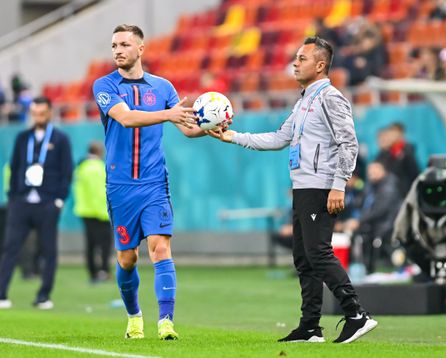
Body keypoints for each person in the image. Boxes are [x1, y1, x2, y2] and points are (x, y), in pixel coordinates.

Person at [211, 36, 377, 344]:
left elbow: (348, 142)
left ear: (320, 64)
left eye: (301, 58)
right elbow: (277, 138)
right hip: (304, 188)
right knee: (304, 257)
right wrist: (232, 136)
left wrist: (338, 185)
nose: (294, 63)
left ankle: (357, 314)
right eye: (296, 58)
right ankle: (311, 326)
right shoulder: (304, 101)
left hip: (321, 187)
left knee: (318, 252)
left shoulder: (331, 97)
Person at [92, 24, 206, 340]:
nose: (117, 50)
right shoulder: (104, 85)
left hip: (155, 183)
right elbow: (126, 118)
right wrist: (168, 114)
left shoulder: (164, 87)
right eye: (114, 45)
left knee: (160, 249)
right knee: (127, 259)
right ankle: (134, 318)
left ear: (140, 49)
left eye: (125, 44)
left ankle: (166, 322)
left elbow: (186, 128)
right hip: (120, 187)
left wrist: (212, 125)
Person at [0, 96, 73, 310]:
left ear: (50, 113)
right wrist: (13, 197)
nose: (38, 117)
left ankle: (43, 296)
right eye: (34, 113)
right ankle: (2, 294)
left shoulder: (60, 139)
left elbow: (66, 171)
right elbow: (14, 167)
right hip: (21, 203)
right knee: (10, 248)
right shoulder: (23, 138)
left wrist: (59, 200)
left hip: (47, 203)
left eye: (42, 113)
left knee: (48, 250)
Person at [74, 141, 112, 283]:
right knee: (104, 244)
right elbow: (99, 193)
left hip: (85, 211)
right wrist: (105, 212)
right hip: (99, 212)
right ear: (99, 152)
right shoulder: (97, 168)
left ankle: (92, 272)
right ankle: (103, 271)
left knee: (90, 244)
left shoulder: (81, 167)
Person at [375, 123, 420, 198]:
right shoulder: (386, 153)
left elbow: (413, 173)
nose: (391, 136)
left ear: (401, 134)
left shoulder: (407, 153)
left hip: (403, 194)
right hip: (390, 194)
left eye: (394, 133)